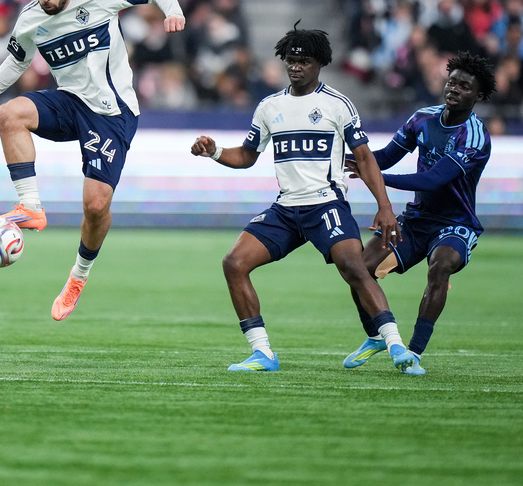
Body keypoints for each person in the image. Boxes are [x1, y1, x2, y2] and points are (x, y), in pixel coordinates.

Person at [0, 0, 186, 321]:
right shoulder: (31, 18)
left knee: (95, 207)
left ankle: (78, 276)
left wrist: (173, 11)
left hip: (113, 113)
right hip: (70, 103)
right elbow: (15, 63)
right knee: (9, 114)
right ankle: (30, 205)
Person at [189, 23, 422, 374]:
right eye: (291, 60)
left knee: (354, 268)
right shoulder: (269, 107)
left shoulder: (337, 105)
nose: (296, 66)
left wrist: (385, 206)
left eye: (304, 61)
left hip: (326, 203)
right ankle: (262, 353)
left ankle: (395, 346)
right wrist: (215, 150)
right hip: (286, 209)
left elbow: (365, 158)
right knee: (233, 263)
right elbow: (248, 156)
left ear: (320, 64)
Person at [342, 52, 495, 375]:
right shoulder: (422, 118)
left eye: (464, 86)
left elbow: (433, 179)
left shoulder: (475, 135)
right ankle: (375, 336)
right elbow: (383, 157)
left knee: (441, 266)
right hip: (416, 220)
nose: (454, 89)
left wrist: (375, 177)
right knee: (357, 268)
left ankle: (414, 352)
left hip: (455, 223)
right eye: (452, 82)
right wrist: (347, 157)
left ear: (478, 96)